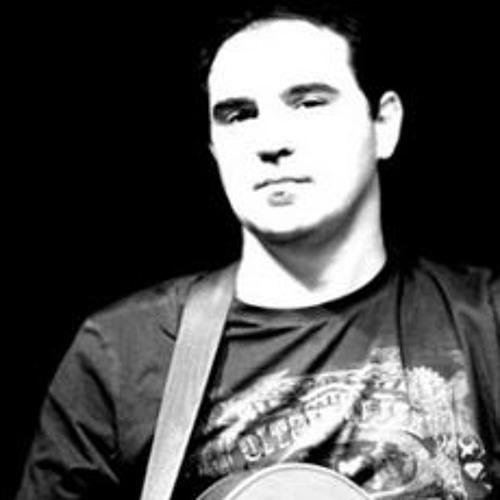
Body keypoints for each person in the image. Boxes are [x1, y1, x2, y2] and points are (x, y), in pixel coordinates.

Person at [16, 1, 499, 499]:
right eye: (239, 115)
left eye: (309, 102)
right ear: (213, 148)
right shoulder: (123, 351)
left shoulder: (487, 320)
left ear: (384, 124)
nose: (271, 142)